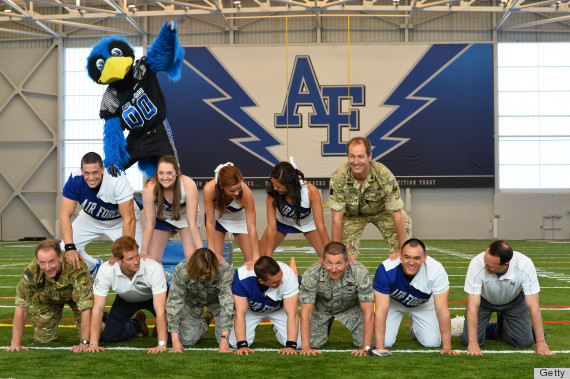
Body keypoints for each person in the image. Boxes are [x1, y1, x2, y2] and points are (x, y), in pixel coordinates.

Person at [461, 240, 554, 356]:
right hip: (483, 302)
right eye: (485, 262)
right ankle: (494, 328)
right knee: (466, 342)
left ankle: (502, 325)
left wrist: (541, 342)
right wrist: (472, 343)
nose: (485, 267)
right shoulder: (476, 263)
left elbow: (533, 305)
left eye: (490, 266)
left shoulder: (525, 265)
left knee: (524, 343)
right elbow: (472, 305)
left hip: (514, 302)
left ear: (505, 265)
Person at [59, 152, 143, 277]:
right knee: (65, 249)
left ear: (103, 169)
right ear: (81, 171)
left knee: (134, 259)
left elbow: (129, 218)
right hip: (91, 218)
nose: (91, 177)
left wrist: (122, 251)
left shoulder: (117, 179)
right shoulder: (75, 179)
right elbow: (64, 215)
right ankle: (93, 267)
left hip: (120, 221)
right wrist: (70, 248)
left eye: (95, 173)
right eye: (87, 173)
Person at [328, 137, 410, 259]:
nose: (356, 162)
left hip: (383, 212)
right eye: (352, 156)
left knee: (403, 251)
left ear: (369, 156)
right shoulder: (338, 177)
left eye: (361, 156)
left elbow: (396, 213)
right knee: (344, 257)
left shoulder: (384, 175)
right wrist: (337, 253)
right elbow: (336, 218)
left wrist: (403, 250)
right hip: (353, 215)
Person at [373, 238, 458, 355]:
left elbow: (442, 310)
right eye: (407, 257)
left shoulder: (436, 270)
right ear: (400, 256)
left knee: (432, 343)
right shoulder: (386, 269)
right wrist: (380, 347)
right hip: (394, 303)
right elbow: (381, 311)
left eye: (417, 258)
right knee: (386, 342)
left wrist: (447, 346)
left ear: (425, 257)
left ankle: (415, 329)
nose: (411, 262)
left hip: (423, 304)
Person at [6, 240, 93, 352]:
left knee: (95, 335)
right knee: (43, 339)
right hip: (48, 298)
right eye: (42, 263)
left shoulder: (76, 266)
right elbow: (21, 307)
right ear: (37, 260)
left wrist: (84, 342)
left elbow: (85, 306)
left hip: (76, 298)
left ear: (61, 258)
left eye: (52, 262)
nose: (47, 267)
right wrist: (15, 343)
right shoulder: (32, 270)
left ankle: (103, 318)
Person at [86, 236, 168, 354]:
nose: (136, 261)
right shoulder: (106, 270)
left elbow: (160, 308)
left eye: (137, 256)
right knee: (110, 337)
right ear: (118, 260)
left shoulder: (154, 268)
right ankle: (138, 323)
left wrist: (161, 344)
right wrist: (93, 344)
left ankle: (159, 328)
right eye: (130, 259)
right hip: (125, 299)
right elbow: (98, 308)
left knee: (171, 338)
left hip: (153, 297)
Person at [299, 242, 374, 356]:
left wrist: (366, 347)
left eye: (339, 263)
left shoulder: (360, 272)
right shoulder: (312, 273)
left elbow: (369, 312)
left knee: (371, 343)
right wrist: (305, 347)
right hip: (322, 308)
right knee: (311, 343)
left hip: (350, 308)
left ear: (347, 261)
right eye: (329, 263)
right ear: (323, 261)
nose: (333, 269)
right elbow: (306, 311)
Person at [166, 247, 234, 353]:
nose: (202, 277)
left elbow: (227, 302)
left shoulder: (224, 269)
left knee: (231, 341)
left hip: (217, 303)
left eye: (207, 273)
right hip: (192, 303)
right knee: (187, 340)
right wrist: (175, 341)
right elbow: (174, 303)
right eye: (199, 273)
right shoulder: (182, 269)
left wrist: (224, 339)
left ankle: (212, 314)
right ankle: (205, 320)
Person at [230, 256, 302, 355]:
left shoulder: (288, 273)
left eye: (280, 278)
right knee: (235, 343)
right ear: (261, 281)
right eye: (276, 282)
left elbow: (292, 313)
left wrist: (290, 346)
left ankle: (277, 329)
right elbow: (240, 313)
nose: (281, 282)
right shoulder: (242, 276)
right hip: (252, 311)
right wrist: (242, 346)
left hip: (279, 309)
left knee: (298, 344)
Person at [259, 161, 329, 261]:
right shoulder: (272, 192)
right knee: (261, 258)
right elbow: (271, 227)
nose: (275, 188)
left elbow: (320, 226)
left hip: (307, 223)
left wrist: (329, 253)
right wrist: (268, 256)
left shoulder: (311, 192)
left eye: (279, 186)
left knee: (326, 258)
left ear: (289, 185)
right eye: (273, 184)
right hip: (282, 222)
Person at [140, 155, 203, 262]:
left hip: (185, 218)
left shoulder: (188, 185)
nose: (165, 177)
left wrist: (201, 251)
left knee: (192, 258)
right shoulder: (150, 188)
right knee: (151, 260)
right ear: (156, 174)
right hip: (162, 218)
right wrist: (143, 252)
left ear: (177, 173)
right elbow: (150, 224)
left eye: (169, 173)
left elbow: (192, 223)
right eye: (161, 173)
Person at [203, 163, 259, 266]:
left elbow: (251, 226)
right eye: (232, 190)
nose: (237, 193)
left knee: (254, 263)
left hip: (239, 220)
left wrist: (256, 257)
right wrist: (212, 251)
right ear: (221, 186)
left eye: (239, 188)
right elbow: (210, 222)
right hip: (218, 219)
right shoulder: (209, 189)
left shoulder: (246, 193)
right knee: (215, 263)